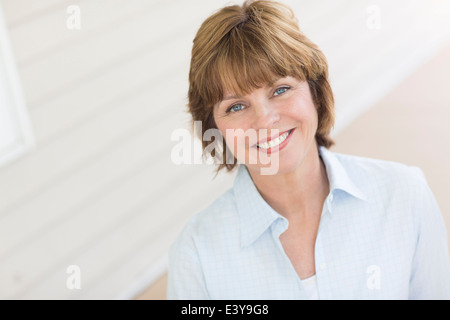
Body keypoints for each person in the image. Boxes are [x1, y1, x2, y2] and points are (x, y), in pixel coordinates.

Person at [167, 0, 450, 299]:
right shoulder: (195, 255)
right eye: (236, 106)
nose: (265, 120)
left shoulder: (405, 196)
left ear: (315, 91)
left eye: (280, 89)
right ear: (214, 128)